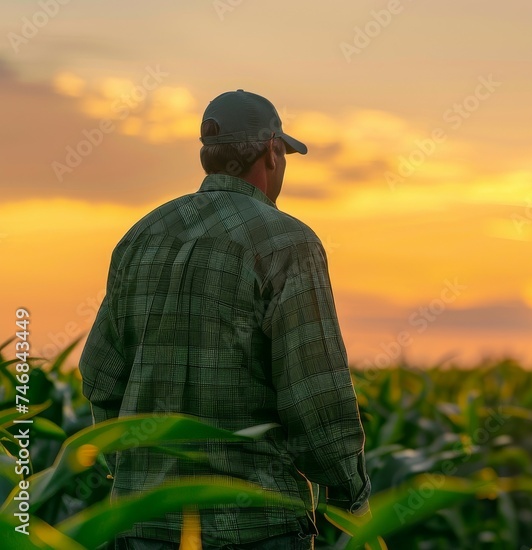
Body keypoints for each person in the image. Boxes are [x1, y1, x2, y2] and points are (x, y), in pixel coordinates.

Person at [79, 89, 371, 549]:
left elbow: (101, 377)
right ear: (273, 152)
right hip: (256, 528)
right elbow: (316, 396)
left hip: (141, 523)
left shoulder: (140, 236)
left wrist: (134, 471)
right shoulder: (287, 243)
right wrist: (352, 499)